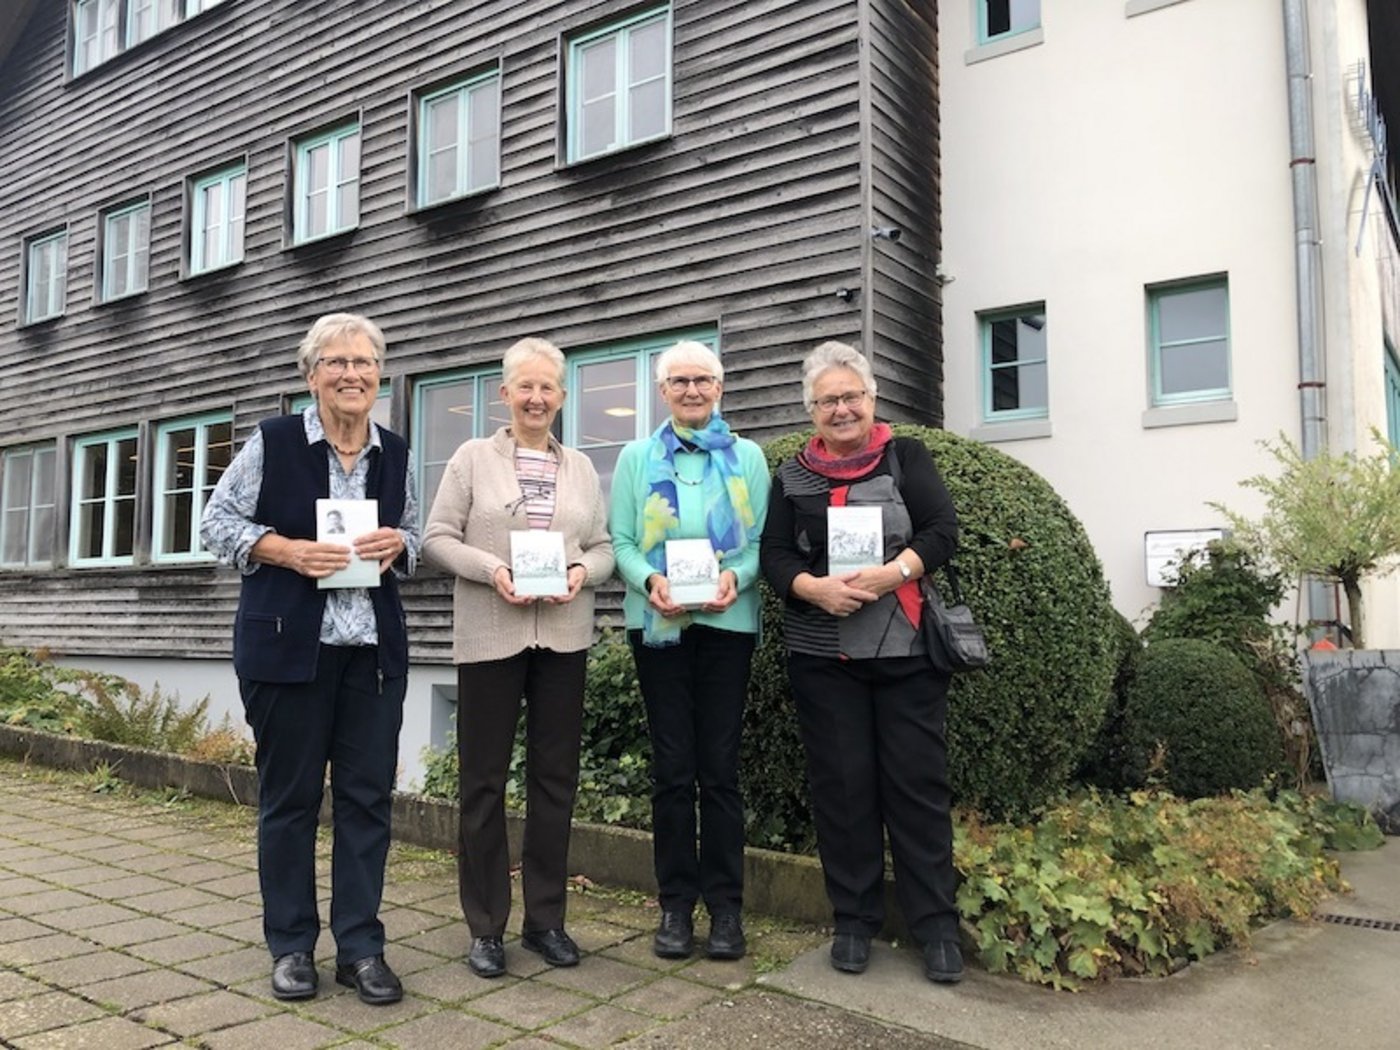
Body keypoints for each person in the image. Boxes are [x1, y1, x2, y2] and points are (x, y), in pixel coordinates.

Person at [201, 313, 419, 1005]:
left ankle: (361, 949)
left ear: (379, 375)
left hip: (372, 654)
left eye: (364, 362)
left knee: (367, 802)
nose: (352, 374)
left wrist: (400, 545)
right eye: (337, 362)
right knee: (290, 802)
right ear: (311, 375)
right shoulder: (273, 442)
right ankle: (292, 946)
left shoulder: (395, 452)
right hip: (288, 650)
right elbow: (215, 522)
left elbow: (414, 533)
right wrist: (287, 550)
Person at [759, 341, 963, 984]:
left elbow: (942, 531)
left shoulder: (907, 456)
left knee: (916, 789)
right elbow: (773, 556)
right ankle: (853, 921)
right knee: (842, 791)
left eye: (851, 396)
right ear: (811, 410)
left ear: (872, 399)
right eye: (828, 401)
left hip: (906, 650)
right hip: (825, 656)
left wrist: (892, 573)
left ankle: (936, 928)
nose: (841, 409)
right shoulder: (791, 476)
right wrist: (811, 589)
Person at [423, 337, 614, 979]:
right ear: (505, 393)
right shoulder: (472, 458)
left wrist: (583, 571)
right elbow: (436, 538)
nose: (536, 398)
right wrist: (492, 569)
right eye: (524, 387)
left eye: (547, 387)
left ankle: (545, 921)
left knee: (555, 781)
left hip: (563, 637)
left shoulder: (581, 467)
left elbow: (603, 546)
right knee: (482, 782)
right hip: (490, 636)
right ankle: (486, 927)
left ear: (562, 396)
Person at [609, 340, 770, 961]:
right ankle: (675, 906)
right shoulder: (635, 458)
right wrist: (651, 581)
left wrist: (738, 577)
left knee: (720, 769)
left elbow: (760, 543)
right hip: (659, 626)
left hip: (729, 623)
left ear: (719, 388)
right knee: (673, 769)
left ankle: (726, 909)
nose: (692, 390)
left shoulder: (748, 457)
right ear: (663, 391)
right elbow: (622, 542)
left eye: (703, 380)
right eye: (679, 381)